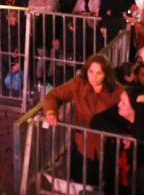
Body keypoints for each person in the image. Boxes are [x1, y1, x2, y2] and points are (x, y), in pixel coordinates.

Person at [43, 54, 124, 184]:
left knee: (106, 184)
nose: (94, 77)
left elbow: (130, 106)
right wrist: (51, 112)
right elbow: (53, 95)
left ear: (106, 74)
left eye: (99, 73)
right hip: (82, 144)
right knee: (79, 181)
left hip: (108, 146)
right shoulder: (79, 84)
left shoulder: (116, 89)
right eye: (91, 72)